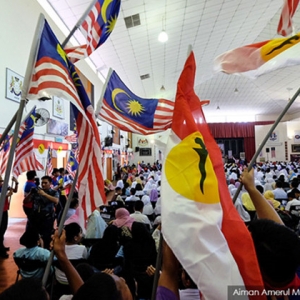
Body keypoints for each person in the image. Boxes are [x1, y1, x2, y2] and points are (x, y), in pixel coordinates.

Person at [24, 175, 59, 249]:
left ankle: (45, 252)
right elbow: (25, 202)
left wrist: (45, 194)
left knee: (46, 236)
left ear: (50, 183)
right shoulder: (37, 192)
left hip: (47, 218)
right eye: (42, 183)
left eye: (45, 183)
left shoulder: (53, 192)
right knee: (34, 236)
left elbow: (56, 200)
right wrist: (30, 193)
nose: (43, 185)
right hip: (36, 217)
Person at [0, 175, 18, 258]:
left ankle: (2, 246)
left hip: (4, 210)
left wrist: (16, 183)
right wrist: (7, 194)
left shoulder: (4, 186)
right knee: (1, 230)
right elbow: (3, 196)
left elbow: (14, 191)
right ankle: (1, 251)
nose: (1, 182)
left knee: (3, 228)